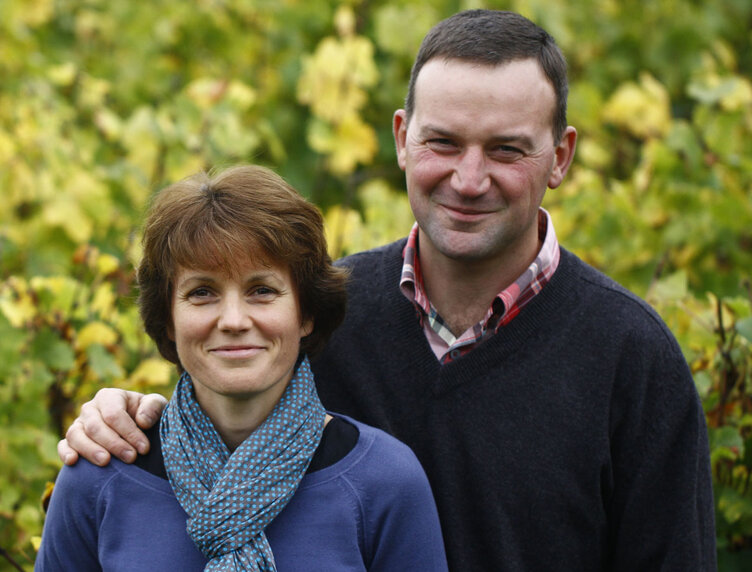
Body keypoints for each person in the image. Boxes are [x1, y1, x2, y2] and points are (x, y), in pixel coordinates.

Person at [57, 10, 716, 571]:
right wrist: (126, 412)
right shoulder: (321, 315)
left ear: (562, 156)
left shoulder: (631, 358)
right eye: (444, 142)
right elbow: (215, 411)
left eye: (507, 151)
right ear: (403, 139)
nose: (468, 177)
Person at [36, 165, 448, 570]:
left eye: (262, 291)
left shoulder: (385, 482)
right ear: (168, 320)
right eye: (202, 292)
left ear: (305, 314)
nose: (233, 320)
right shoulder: (100, 476)